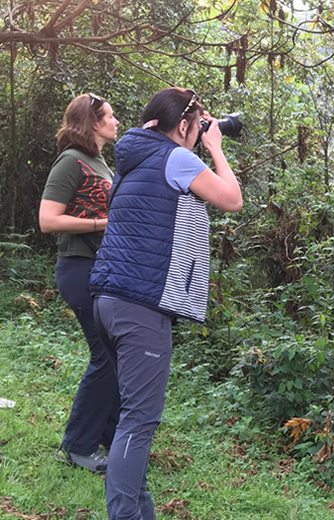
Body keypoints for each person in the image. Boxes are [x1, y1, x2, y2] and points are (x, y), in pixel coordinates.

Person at [89, 87, 242, 520]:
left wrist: (203, 137)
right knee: (139, 422)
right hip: (141, 306)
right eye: (196, 127)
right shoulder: (176, 157)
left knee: (131, 419)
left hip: (110, 300)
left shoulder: (133, 159)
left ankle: (140, 511)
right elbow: (232, 199)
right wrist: (214, 148)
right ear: (181, 127)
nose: (199, 134)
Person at [39, 93, 121, 474]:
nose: (116, 121)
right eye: (110, 116)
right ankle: (77, 446)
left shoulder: (100, 161)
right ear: (92, 122)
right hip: (78, 267)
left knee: (113, 354)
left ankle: (111, 435)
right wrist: (100, 224)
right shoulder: (71, 161)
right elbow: (48, 219)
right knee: (105, 355)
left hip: (99, 267)